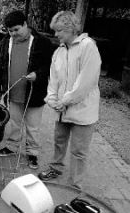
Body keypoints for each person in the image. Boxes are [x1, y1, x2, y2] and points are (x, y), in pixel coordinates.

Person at [38, 11, 101, 189]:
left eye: (59, 31)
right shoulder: (59, 51)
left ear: (71, 28)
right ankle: (56, 169)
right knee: (59, 141)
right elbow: (53, 79)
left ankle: (75, 184)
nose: (55, 34)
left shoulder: (88, 46)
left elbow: (86, 81)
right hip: (61, 109)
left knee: (79, 151)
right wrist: (51, 99)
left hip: (82, 110)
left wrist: (64, 100)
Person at [0, 10, 54, 169]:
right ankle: (11, 147)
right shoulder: (5, 42)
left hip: (34, 94)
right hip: (13, 93)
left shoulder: (42, 42)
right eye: (10, 31)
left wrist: (38, 74)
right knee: (14, 123)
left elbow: (51, 66)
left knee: (33, 126)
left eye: (16, 29)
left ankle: (32, 153)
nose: (13, 34)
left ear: (26, 24)